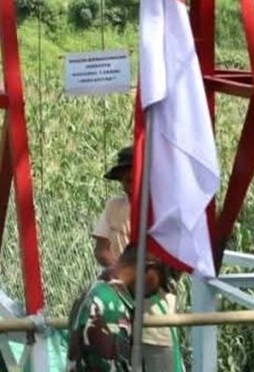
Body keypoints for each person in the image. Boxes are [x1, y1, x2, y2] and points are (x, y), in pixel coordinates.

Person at [91, 146, 183, 372]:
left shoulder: (165, 211)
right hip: (119, 310)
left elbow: (178, 263)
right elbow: (101, 249)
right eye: (124, 181)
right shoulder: (115, 206)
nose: (127, 186)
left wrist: (147, 277)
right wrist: (123, 275)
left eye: (132, 180)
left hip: (155, 313)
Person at [67, 244, 174, 372]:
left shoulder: (93, 292)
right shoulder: (111, 306)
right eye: (161, 280)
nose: (156, 291)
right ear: (148, 267)